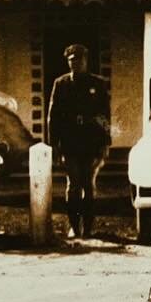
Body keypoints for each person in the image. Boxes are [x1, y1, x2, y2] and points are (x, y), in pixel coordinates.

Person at [46, 44, 111, 239]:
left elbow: (105, 115)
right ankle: (74, 226)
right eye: (71, 60)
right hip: (70, 143)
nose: (75, 63)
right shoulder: (61, 84)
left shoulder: (97, 84)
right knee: (73, 185)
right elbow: (53, 116)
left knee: (89, 185)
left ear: (85, 61)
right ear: (68, 62)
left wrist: (106, 143)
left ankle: (88, 228)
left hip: (92, 142)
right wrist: (53, 145)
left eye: (79, 60)